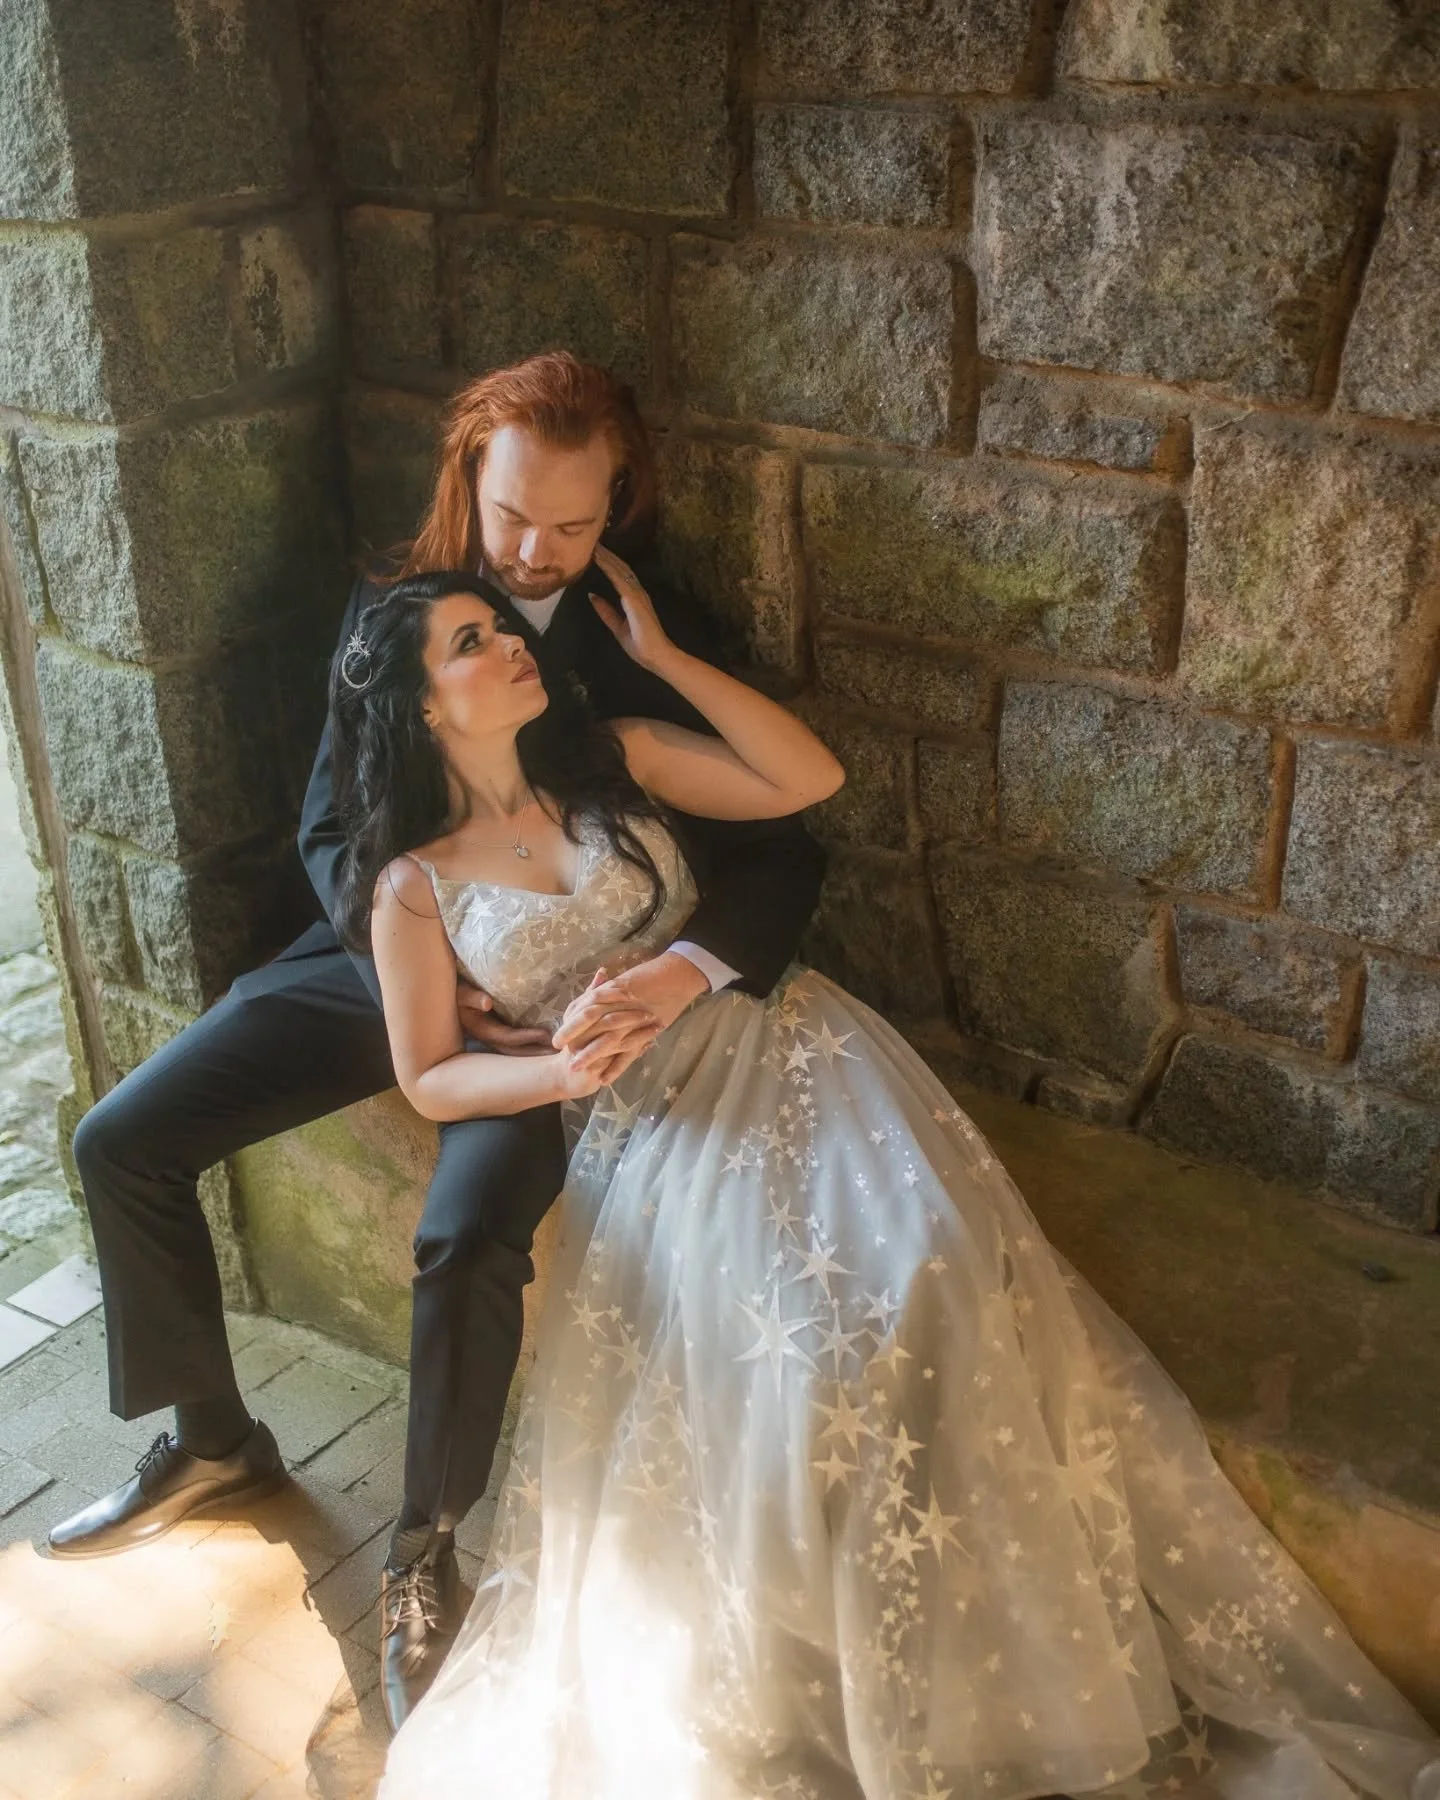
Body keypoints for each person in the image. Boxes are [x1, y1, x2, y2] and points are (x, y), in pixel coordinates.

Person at [336, 557, 1440, 1800]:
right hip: (649, 1130)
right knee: (797, 1357)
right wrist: (560, 1071)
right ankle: (836, 1673)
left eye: (500, 627)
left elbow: (807, 778)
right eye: (472, 642)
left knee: (926, 1272)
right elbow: (431, 1075)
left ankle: (985, 1662)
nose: (509, 645)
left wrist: (666, 662)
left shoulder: (621, 753)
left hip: (795, 1052)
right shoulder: (412, 885)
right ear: (425, 706)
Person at [46, 353, 825, 1735]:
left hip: (566, 993)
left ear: (616, 505)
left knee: (465, 1237)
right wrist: (420, 964)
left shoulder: (645, 624)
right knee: (122, 1140)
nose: (536, 550)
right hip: (393, 957)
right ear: (471, 473)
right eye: (516, 511)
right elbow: (334, 825)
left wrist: (684, 972)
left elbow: (780, 838)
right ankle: (213, 1435)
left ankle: (421, 1551)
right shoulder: (385, 602)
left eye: (574, 525)